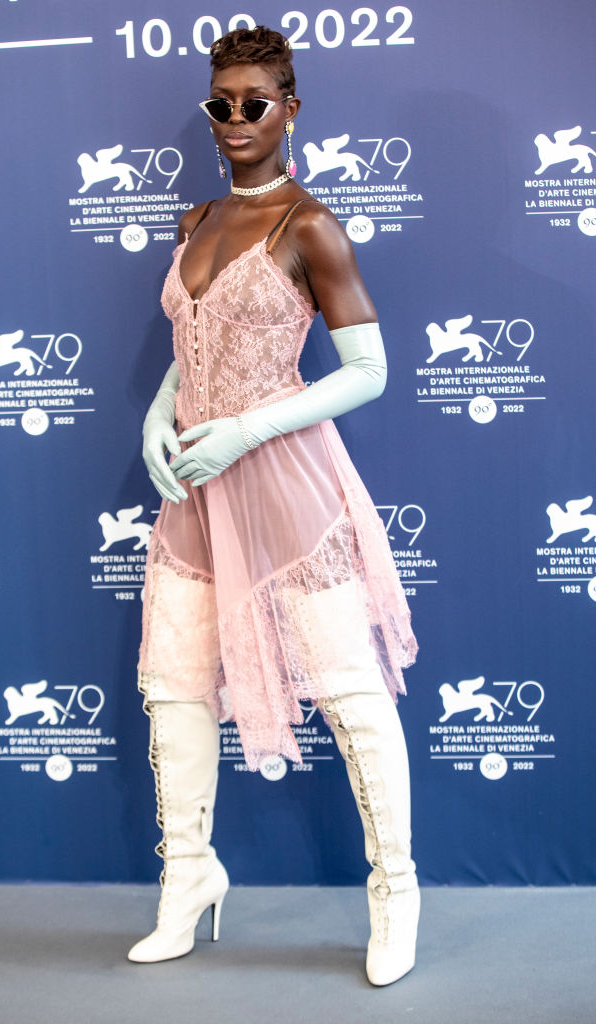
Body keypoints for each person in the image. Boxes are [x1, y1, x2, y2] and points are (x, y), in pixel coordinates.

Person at [129, 26, 419, 986]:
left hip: (287, 489)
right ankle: (189, 877)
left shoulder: (311, 226)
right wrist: (160, 412)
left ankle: (396, 891)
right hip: (195, 490)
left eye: (256, 101)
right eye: (222, 102)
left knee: (350, 693)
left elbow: (370, 371)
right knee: (175, 689)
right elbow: (192, 346)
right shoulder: (195, 219)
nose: (237, 118)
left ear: (291, 107)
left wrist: (249, 428)